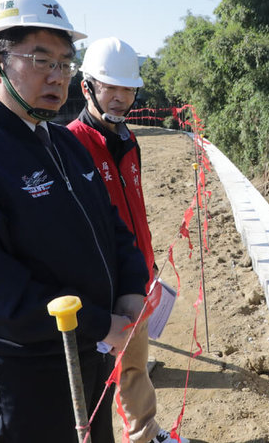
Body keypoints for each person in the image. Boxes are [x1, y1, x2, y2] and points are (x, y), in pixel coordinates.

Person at [0, 0, 153, 443]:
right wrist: (101, 323)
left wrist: (128, 291)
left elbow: (114, 228)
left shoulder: (64, 143)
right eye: (40, 60)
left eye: (64, 62)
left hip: (93, 354)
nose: (57, 76)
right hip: (29, 376)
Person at [68, 37, 185, 443]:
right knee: (99, 382)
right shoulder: (71, 146)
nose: (119, 98)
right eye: (110, 88)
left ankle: (144, 434)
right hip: (100, 289)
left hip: (137, 275)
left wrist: (147, 265)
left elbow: (135, 208)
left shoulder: (128, 140)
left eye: (127, 89)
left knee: (135, 366)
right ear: (87, 88)